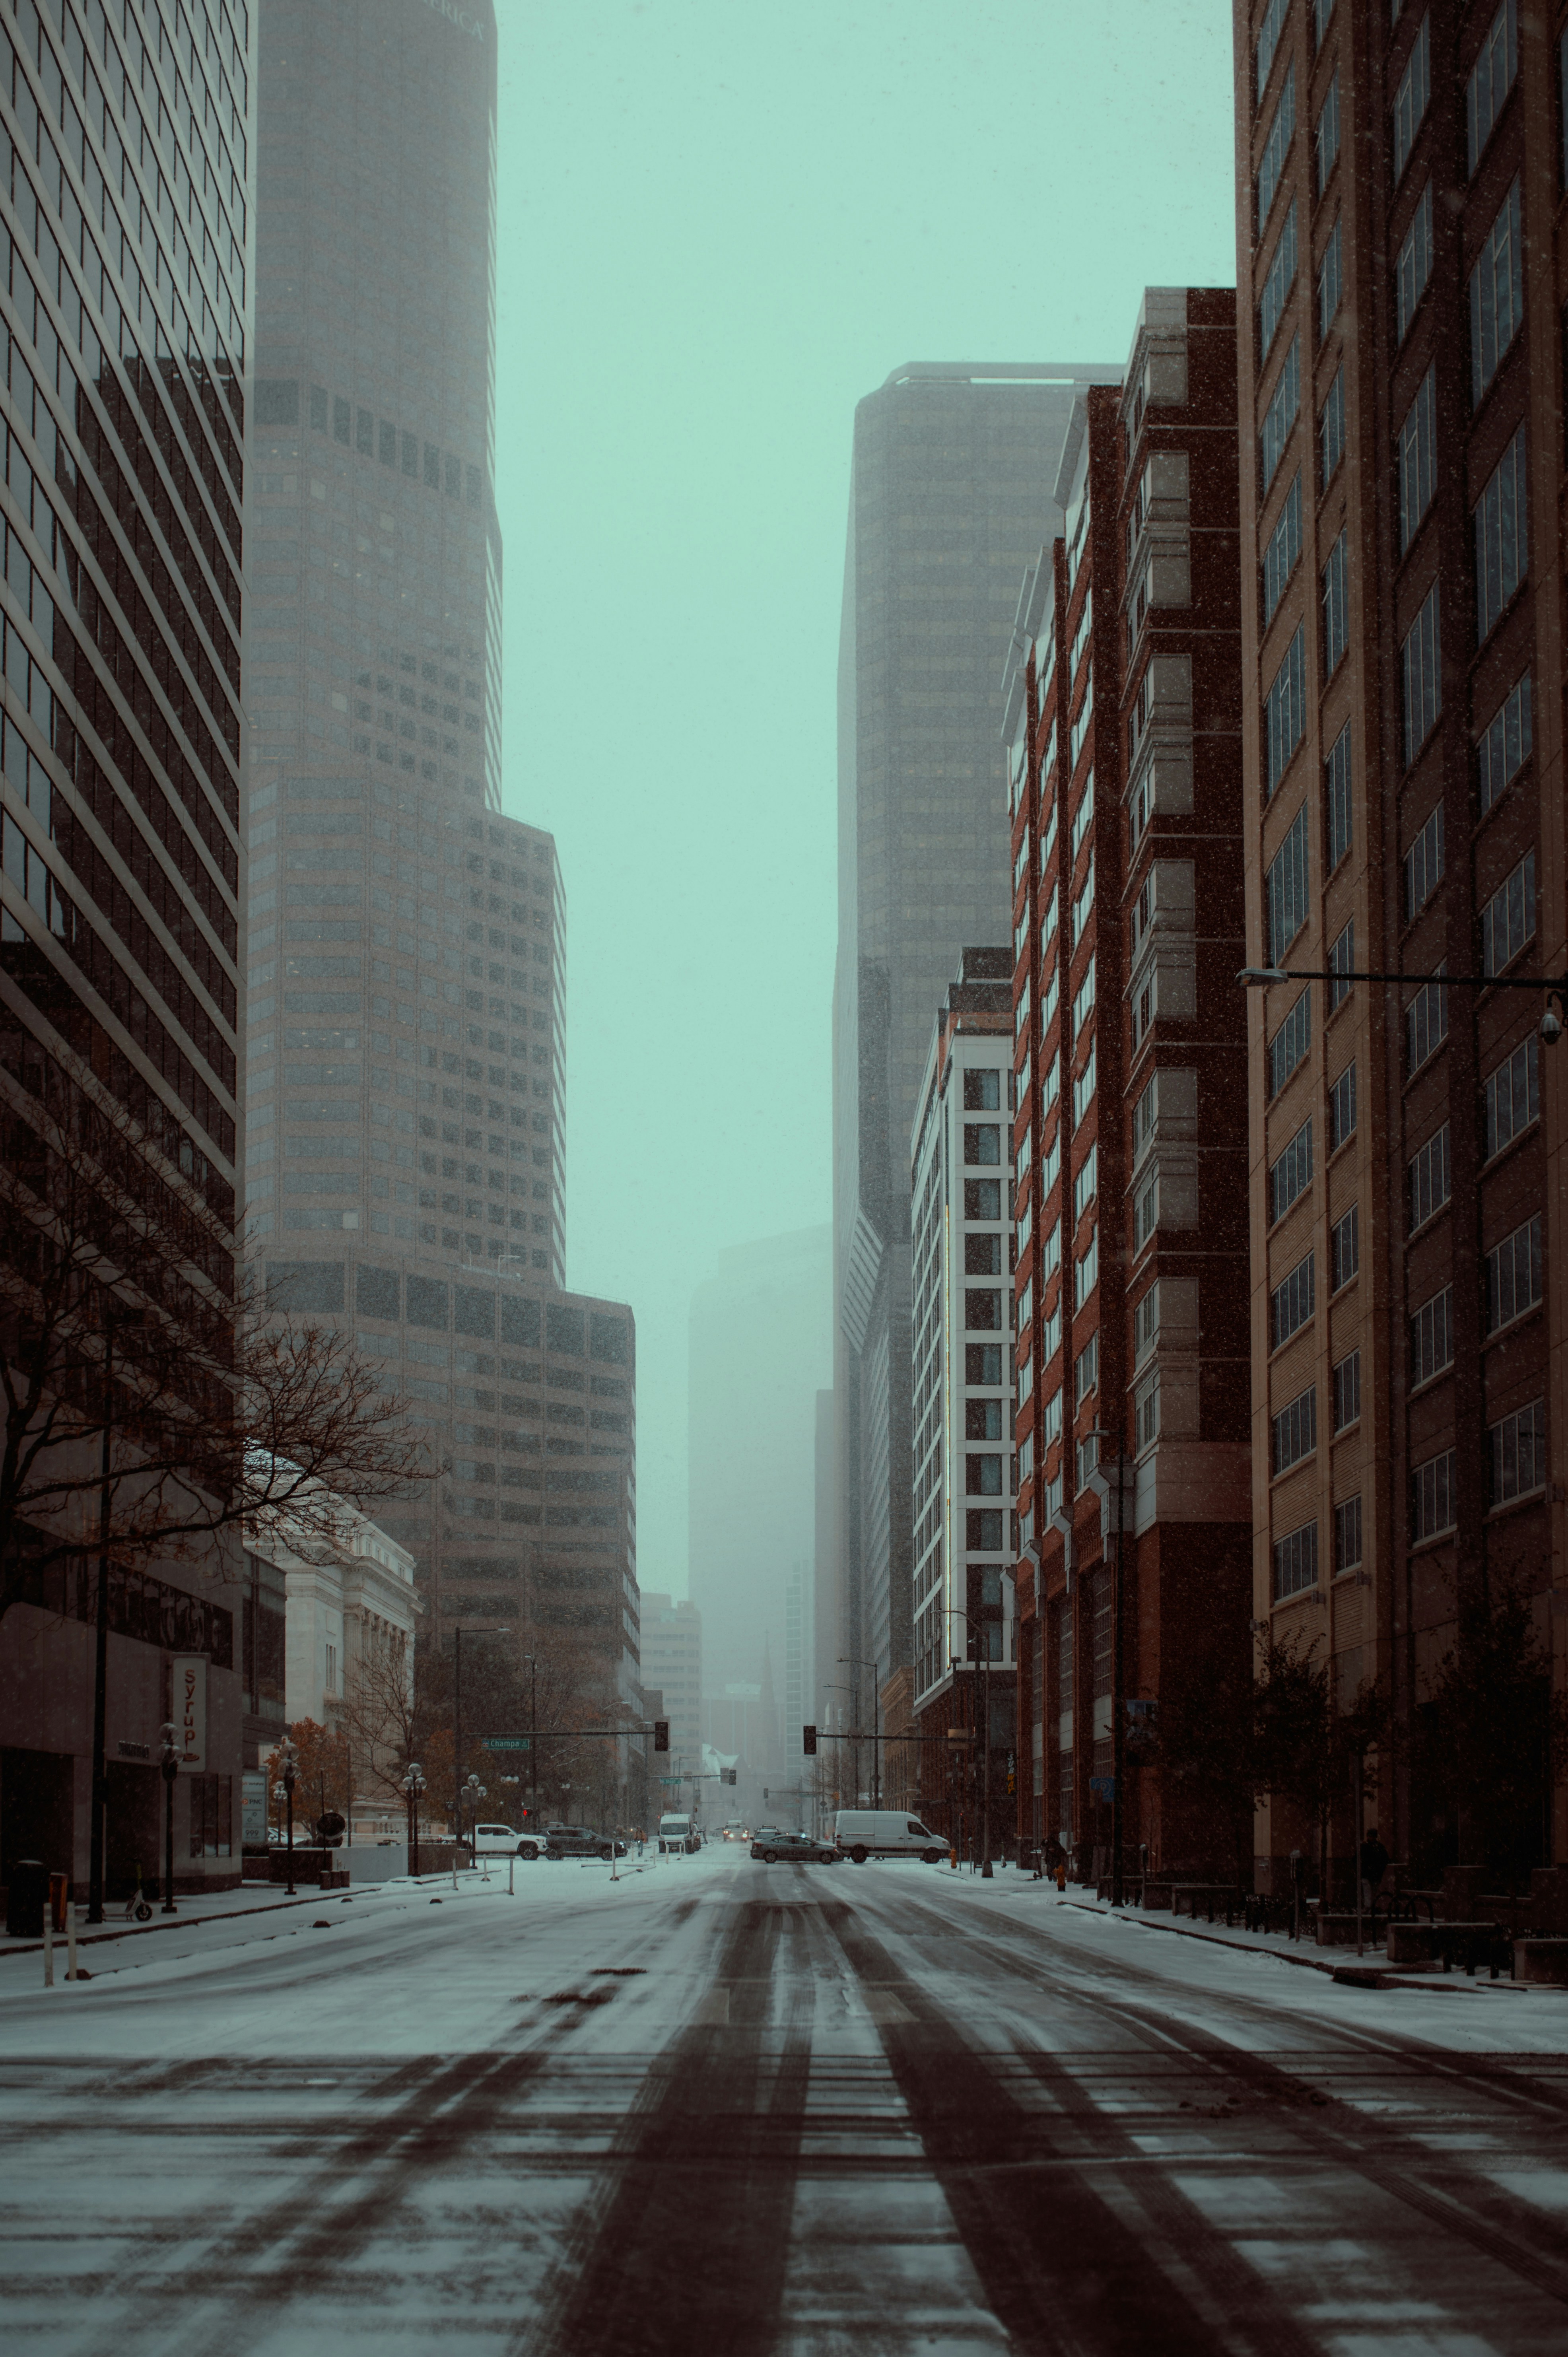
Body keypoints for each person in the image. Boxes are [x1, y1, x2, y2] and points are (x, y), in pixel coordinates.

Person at [1359, 1827, 1390, 1910]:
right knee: (1370, 1891)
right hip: (1372, 1873)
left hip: (1371, 1873)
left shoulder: (1366, 1847)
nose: (1371, 1838)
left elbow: (1385, 1860)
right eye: (1370, 1836)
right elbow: (1385, 1860)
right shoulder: (1378, 1847)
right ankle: (1370, 1907)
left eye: (1372, 1836)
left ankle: (1370, 1907)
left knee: (1371, 1891)